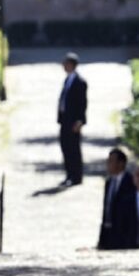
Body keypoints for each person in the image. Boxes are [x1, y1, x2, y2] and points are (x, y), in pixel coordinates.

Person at [57, 52, 87, 187]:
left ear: (71, 65)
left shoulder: (80, 82)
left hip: (73, 122)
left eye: (66, 63)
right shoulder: (67, 80)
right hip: (65, 120)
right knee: (65, 148)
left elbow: (82, 103)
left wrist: (80, 121)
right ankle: (69, 174)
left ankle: (76, 176)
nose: (64, 65)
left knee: (74, 149)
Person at [98, 148, 135, 250]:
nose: (108, 164)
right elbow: (106, 209)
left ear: (121, 163)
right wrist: (102, 239)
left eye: (111, 161)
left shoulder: (131, 182)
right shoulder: (109, 182)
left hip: (123, 235)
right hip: (109, 233)